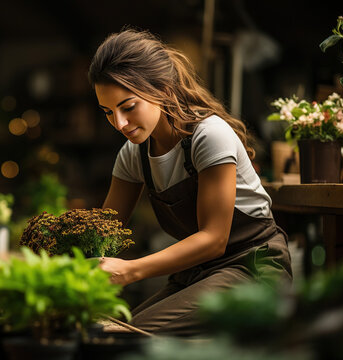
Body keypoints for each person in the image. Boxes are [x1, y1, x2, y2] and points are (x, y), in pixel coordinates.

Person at [88, 28, 292, 336]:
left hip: (253, 269)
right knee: (107, 330)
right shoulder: (133, 155)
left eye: (128, 107)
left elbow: (214, 239)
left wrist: (130, 270)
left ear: (162, 88)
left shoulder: (209, 135)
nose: (120, 124)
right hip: (196, 276)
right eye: (108, 113)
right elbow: (103, 235)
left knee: (124, 339)